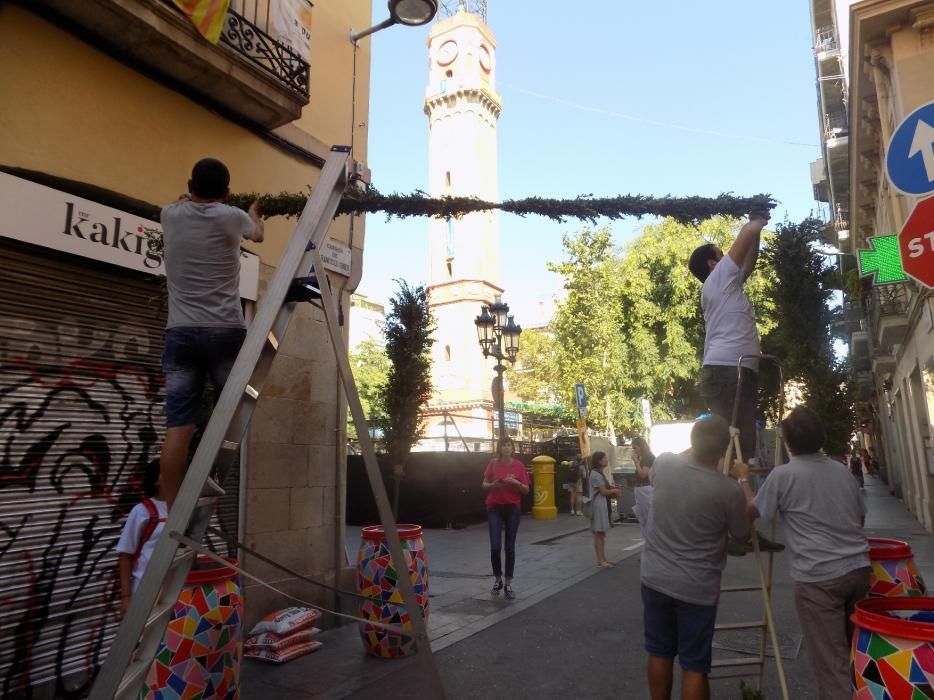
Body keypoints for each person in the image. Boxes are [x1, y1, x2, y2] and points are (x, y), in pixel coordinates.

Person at [159, 158, 264, 510]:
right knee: (228, 411)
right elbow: (258, 235)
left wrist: (187, 200)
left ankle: (170, 512)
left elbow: (182, 204)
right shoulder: (233, 216)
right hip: (225, 330)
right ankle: (210, 479)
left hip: (181, 333)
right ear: (227, 192)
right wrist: (254, 212)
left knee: (178, 427)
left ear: (190, 185)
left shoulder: (169, 214)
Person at [748, 406, 869, 700]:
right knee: (859, 654)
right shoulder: (841, 471)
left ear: (788, 443)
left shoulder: (783, 475)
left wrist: (741, 480)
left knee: (831, 664)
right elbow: (860, 517)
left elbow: (752, 513)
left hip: (818, 580)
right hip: (858, 570)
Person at [640, 415, 752, 700]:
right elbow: (742, 534)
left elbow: (672, 464)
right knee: (694, 665)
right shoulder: (728, 490)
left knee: (659, 652)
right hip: (696, 588)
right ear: (724, 451)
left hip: (654, 578)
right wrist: (743, 478)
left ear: (692, 441)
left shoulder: (664, 463)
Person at [688, 212, 769, 465]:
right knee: (736, 444)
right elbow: (744, 236)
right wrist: (757, 221)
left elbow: (749, 262)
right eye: (721, 254)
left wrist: (757, 232)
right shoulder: (719, 278)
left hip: (730, 371)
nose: (727, 259)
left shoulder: (725, 285)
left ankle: (732, 489)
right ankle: (731, 493)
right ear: (713, 264)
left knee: (738, 442)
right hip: (729, 371)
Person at [115, 460, 167, 619]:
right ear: (157, 480)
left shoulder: (182, 507)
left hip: (175, 587)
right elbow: (125, 556)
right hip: (146, 588)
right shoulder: (141, 511)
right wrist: (126, 597)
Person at [481, 437, 530, 600]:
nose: (507, 448)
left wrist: (515, 483)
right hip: (494, 506)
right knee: (495, 546)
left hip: (512, 508)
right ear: (499, 448)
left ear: (512, 448)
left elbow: (526, 490)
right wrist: (494, 484)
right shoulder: (493, 464)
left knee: (509, 547)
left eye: (509, 445)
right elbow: (484, 485)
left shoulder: (519, 465)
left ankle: (508, 583)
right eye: (504, 445)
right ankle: (497, 579)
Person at [588, 451, 623, 568]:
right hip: (599, 504)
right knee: (599, 533)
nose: (607, 460)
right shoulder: (596, 474)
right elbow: (603, 491)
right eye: (605, 458)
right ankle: (601, 560)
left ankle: (603, 558)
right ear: (599, 461)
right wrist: (615, 491)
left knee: (601, 533)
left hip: (601, 503)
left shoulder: (598, 473)